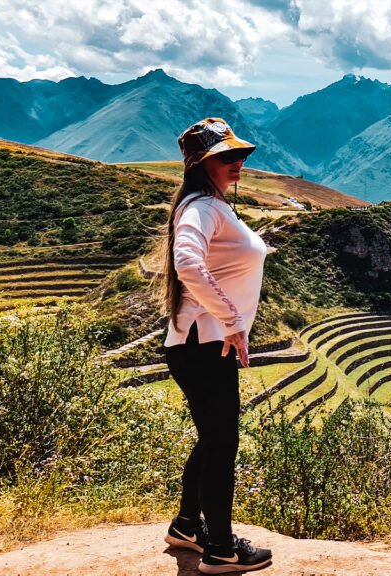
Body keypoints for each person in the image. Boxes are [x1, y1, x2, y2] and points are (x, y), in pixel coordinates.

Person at [160, 118, 272, 574]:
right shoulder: (202, 207)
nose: (238, 162)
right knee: (222, 444)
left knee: (212, 440)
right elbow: (187, 262)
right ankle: (222, 549)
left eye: (240, 154)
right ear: (201, 164)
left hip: (201, 345)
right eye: (226, 157)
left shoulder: (211, 205)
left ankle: (187, 526)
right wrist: (232, 322)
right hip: (204, 345)